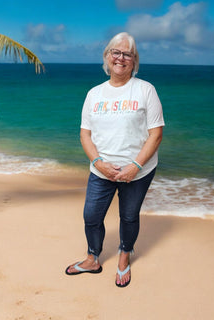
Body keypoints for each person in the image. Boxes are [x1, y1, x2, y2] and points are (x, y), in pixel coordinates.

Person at [65, 32, 165, 287]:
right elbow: (85, 134)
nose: (121, 58)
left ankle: (124, 256)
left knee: (129, 216)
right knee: (91, 216)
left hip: (138, 171)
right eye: (116, 52)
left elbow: (156, 134)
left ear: (134, 60)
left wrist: (136, 166)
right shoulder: (94, 94)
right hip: (102, 169)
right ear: (107, 57)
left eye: (127, 54)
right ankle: (92, 259)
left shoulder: (145, 90)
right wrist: (98, 162)